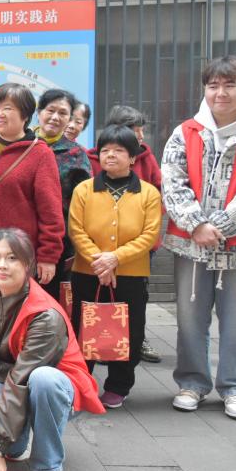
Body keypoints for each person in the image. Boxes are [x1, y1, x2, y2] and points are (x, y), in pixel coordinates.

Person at [162, 56, 236, 421]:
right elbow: (172, 181)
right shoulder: (185, 132)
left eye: (230, 85)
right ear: (205, 89)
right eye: (213, 86)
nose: (220, 93)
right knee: (190, 317)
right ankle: (192, 383)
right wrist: (196, 224)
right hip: (191, 243)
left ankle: (235, 387)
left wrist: (220, 226)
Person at [0, 228, 103, 471]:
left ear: (28, 264)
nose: (2, 266)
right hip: (9, 375)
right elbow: (2, 341)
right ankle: (17, 442)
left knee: (42, 380)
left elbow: (23, 377)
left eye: (12, 258)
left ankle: (48, 469)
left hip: (54, 384)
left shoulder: (45, 315)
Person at [0, 84, 64, 352]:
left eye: (8, 108)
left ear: (25, 115)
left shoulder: (39, 153)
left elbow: (51, 211)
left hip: (13, 259)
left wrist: (49, 255)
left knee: (11, 323)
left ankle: (8, 369)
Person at [68, 125, 162, 409]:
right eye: (105, 150)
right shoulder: (84, 189)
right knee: (83, 327)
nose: (110, 155)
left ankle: (119, 385)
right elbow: (76, 230)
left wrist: (115, 258)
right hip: (87, 272)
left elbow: (149, 234)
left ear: (132, 157)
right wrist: (100, 261)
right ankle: (82, 383)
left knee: (130, 331)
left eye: (119, 150)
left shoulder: (148, 193)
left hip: (131, 274)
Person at [88, 104, 164, 364]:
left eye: (141, 129)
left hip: (136, 249)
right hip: (97, 253)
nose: (140, 135)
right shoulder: (94, 162)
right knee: (99, 300)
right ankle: (101, 343)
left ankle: (135, 343)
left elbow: (158, 192)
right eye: (134, 129)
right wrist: (104, 258)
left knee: (134, 300)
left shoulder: (146, 157)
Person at [35, 90, 92, 295]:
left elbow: (85, 204)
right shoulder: (24, 144)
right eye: (50, 110)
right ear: (39, 112)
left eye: (62, 113)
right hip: (19, 239)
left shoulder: (76, 154)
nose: (55, 117)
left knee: (50, 301)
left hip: (58, 243)